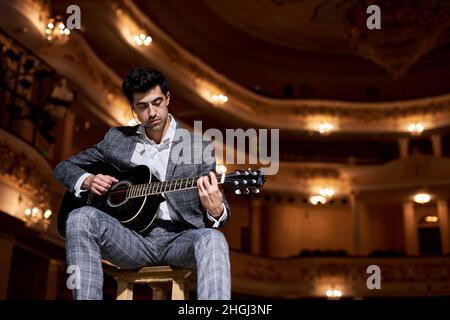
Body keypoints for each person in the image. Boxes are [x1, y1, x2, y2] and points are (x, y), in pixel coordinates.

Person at [53, 67, 231, 300]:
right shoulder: (117, 140)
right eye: (143, 106)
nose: (152, 112)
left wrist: (216, 209)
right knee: (78, 217)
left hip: (179, 240)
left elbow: (220, 212)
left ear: (168, 98)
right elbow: (63, 167)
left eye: (157, 102)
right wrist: (87, 180)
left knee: (214, 239)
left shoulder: (199, 148)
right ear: (133, 109)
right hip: (131, 240)